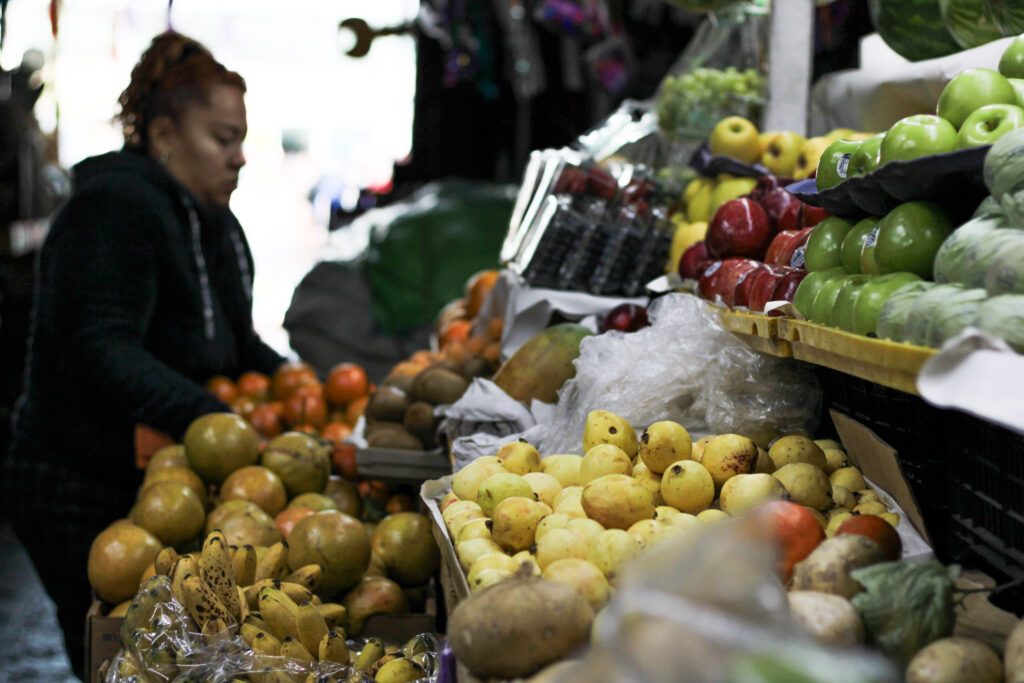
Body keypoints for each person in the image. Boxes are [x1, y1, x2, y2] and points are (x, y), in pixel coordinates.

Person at [1, 31, 286, 678]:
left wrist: (299, 382)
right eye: (222, 138)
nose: (239, 157)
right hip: (72, 479)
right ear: (162, 136)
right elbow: (101, 346)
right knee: (112, 655)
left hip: (149, 475)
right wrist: (217, 419)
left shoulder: (214, 220)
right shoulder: (111, 210)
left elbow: (238, 344)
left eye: (241, 138)